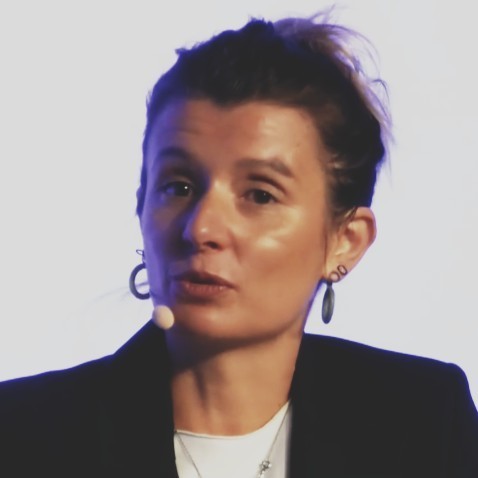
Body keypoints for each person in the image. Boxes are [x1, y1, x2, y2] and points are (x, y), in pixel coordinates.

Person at [1, 13, 477, 478]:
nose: (201, 228)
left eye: (260, 195)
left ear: (345, 242)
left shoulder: (424, 421)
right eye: (178, 187)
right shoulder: (23, 435)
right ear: (141, 203)